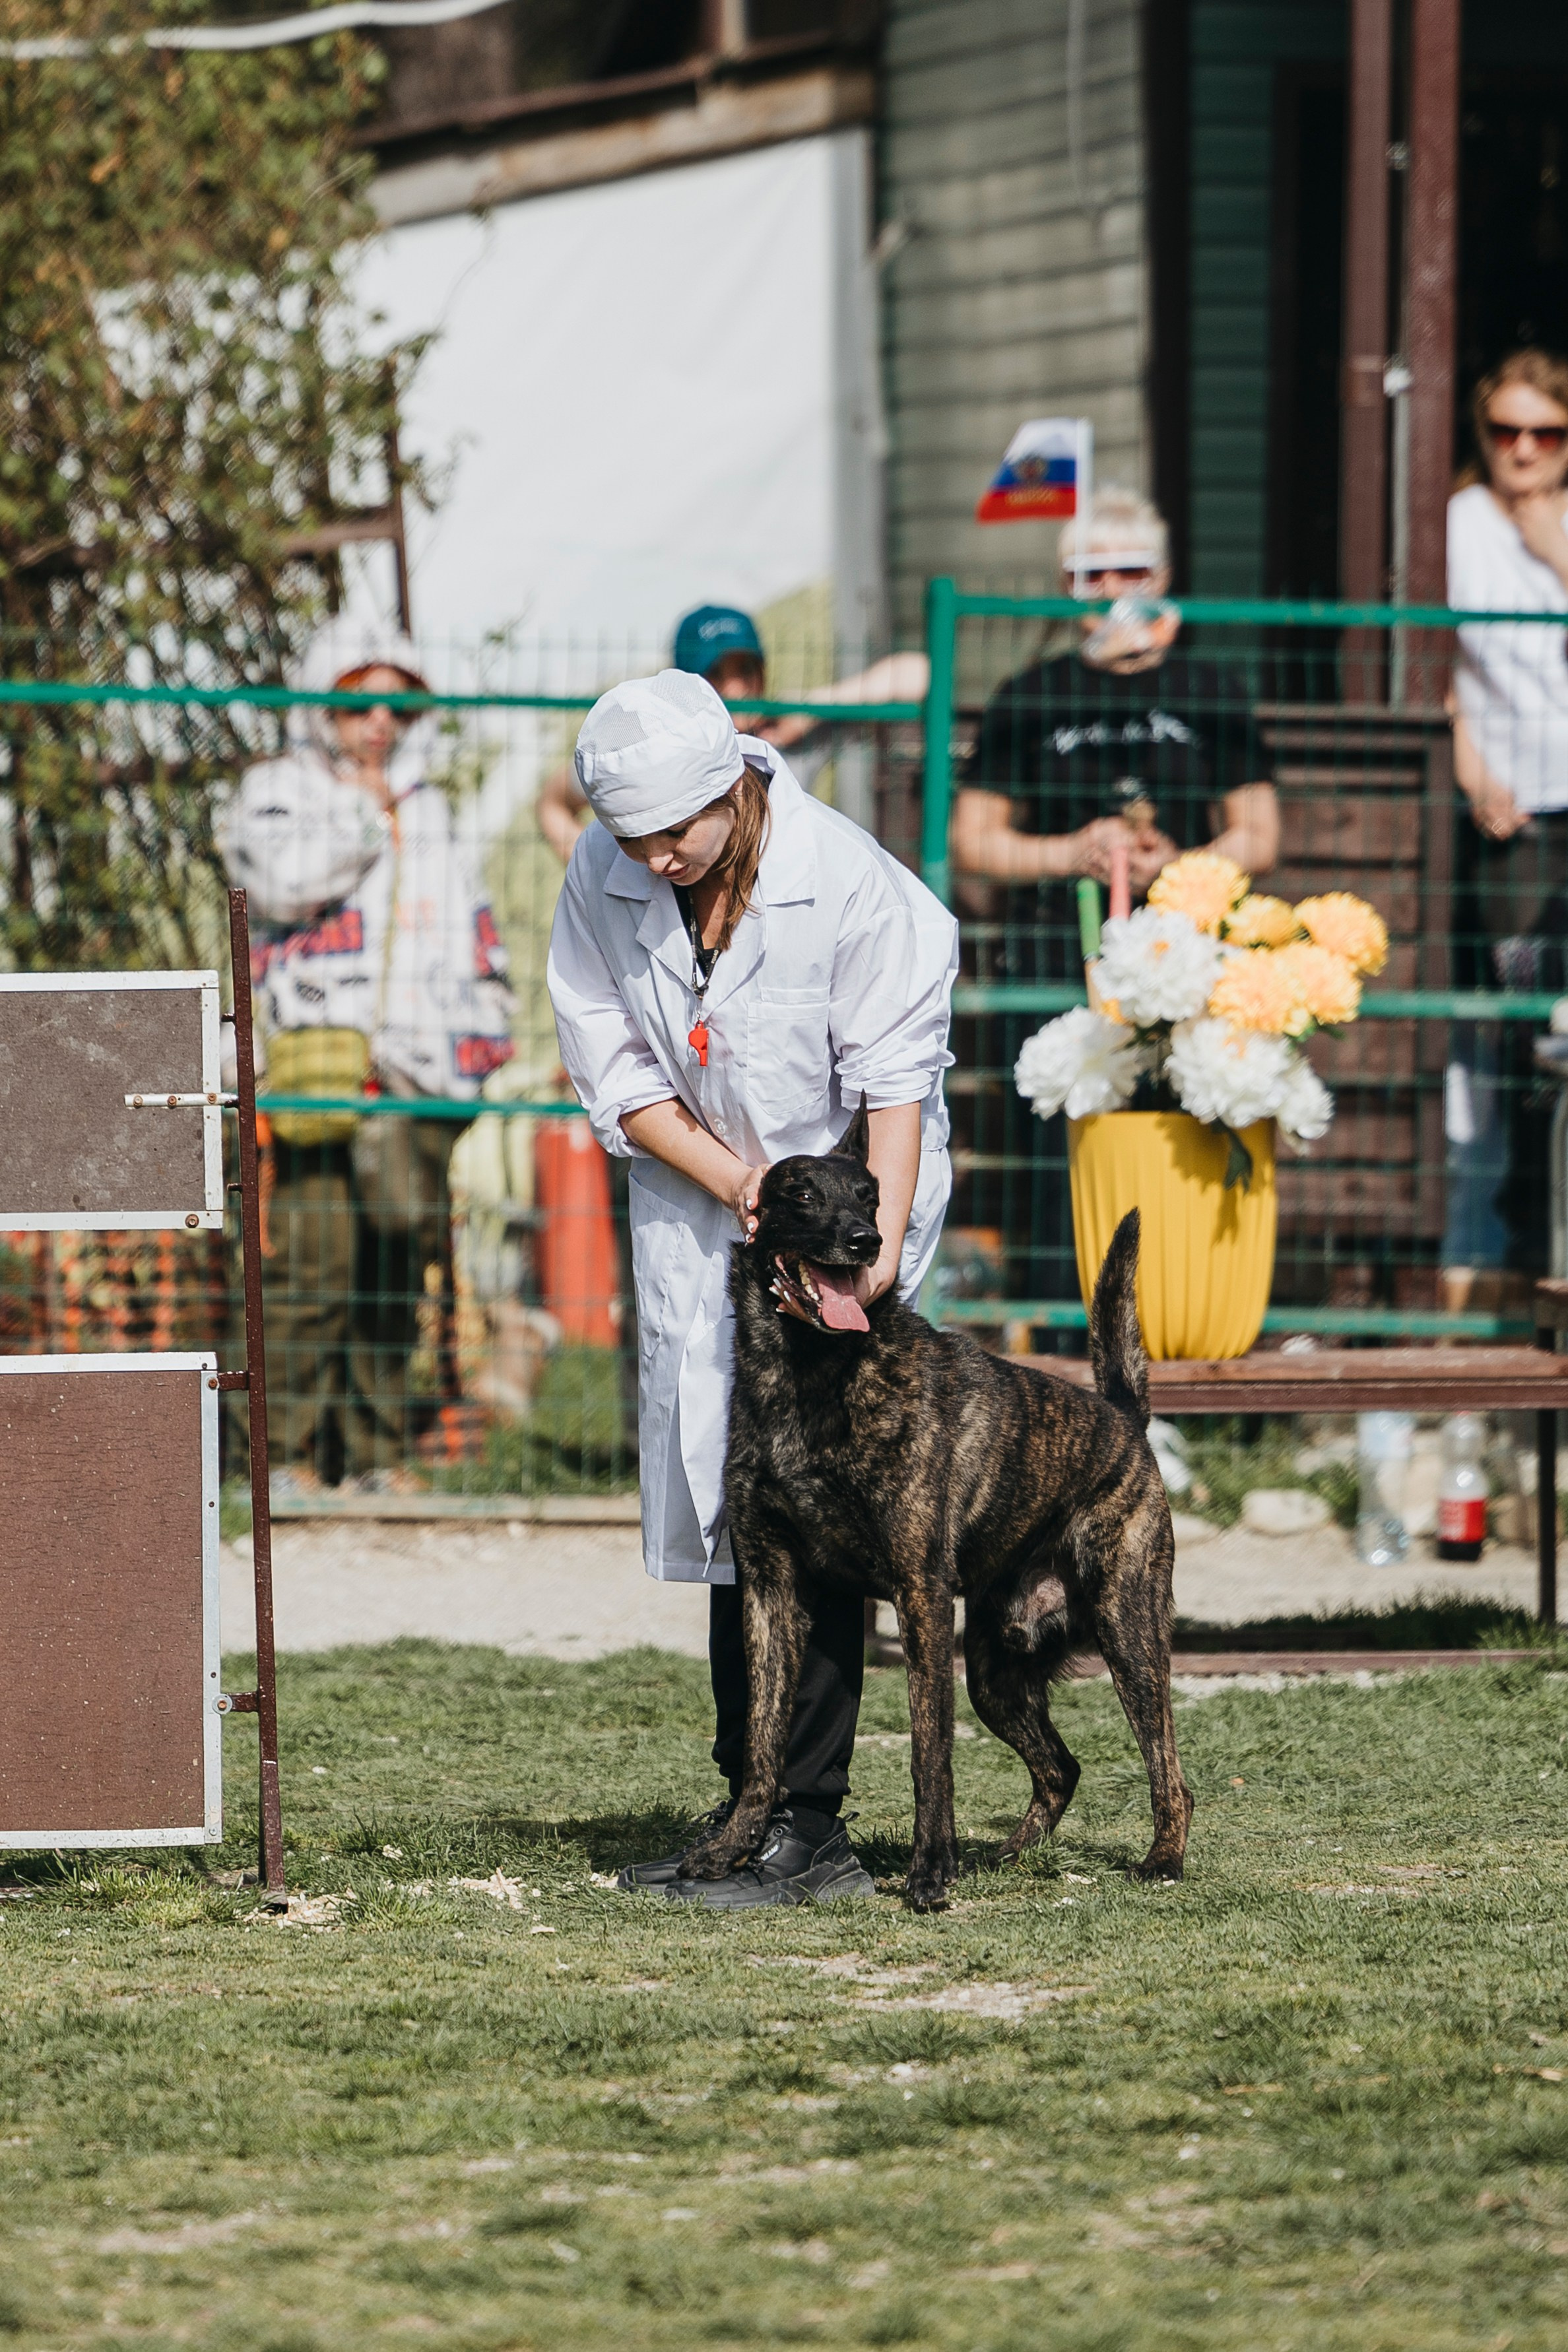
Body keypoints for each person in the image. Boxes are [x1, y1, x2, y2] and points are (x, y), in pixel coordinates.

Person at [547, 669, 957, 1906]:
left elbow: (894, 1081)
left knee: (821, 1505)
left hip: (839, 1220)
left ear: (734, 787)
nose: (654, 859)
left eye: (675, 832)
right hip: (709, 1207)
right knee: (742, 1510)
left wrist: (867, 1249)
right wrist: (737, 1185)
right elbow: (613, 1067)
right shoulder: (604, 873)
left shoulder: (845, 880)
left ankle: (810, 1826)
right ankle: (749, 1803)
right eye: (632, 837)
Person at [949, 487, 1280, 1313]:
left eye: (1132, 571)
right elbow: (973, 840)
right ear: (1067, 585)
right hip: (1056, 955)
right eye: (1093, 575)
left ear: (1164, 578)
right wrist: (1069, 852)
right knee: (1061, 1154)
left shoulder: (1209, 690)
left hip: (1182, 958)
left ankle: (1176, 1315)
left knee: (1181, 1132)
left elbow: (1259, 832)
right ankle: (1064, 1333)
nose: (1114, 590)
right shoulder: (1030, 695)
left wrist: (1184, 866)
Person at [220, 620, 515, 1492]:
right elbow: (278, 883)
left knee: (393, 1270)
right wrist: (362, 812)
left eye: (398, 705)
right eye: (358, 703)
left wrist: (479, 1039)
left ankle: (374, 1454)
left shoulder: (431, 808)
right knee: (307, 1268)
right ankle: (273, 1459)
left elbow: (470, 926)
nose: (379, 722)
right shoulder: (277, 791)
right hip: (312, 1070)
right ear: (324, 705)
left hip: (417, 1077)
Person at [1444, 349, 1568, 1298]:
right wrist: (1475, 773)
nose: (1524, 450)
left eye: (1547, 434)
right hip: (1514, 807)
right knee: (1524, 1022)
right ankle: (1506, 1248)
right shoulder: (1458, 522)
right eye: (1506, 431)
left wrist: (1555, 548)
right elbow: (1442, 666)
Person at [537, 603, 928, 864]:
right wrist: (600, 876)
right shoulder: (652, 746)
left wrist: (812, 707)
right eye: (715, 675)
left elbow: (918, 674)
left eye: (745, 669)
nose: (736, 688)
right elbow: (552, 802)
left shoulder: (791, 737)